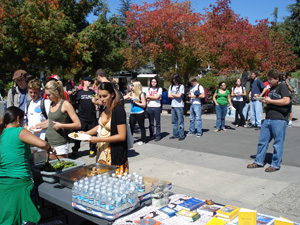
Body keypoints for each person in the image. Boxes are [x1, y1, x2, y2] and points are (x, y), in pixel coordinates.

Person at [0, 106, 53, 225]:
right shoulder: (19, 130)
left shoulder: (2, 134)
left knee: (9, 218)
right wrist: (49, 147)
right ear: (18, 119)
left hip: (3, 182)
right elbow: (42, 143)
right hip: (19, 182)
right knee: (27, 220)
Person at [247, 69, 291, 172]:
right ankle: (259, 161)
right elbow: (271, 101)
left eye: (270, 79)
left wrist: (270, 100)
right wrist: (262, 98)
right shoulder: (272, 88)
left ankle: (275, 164)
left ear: (277, 79)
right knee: (262, 142)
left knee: (277, 143)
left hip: (279, 119)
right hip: (268, 119)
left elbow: (286, 100)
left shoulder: (282, 86)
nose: (269, 82)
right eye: (268, 79)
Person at [85, 82, 128, 176]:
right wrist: (86, 134)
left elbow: (122, 136)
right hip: (102, 151)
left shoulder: (118, 110)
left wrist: (98, 139)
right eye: (100, 96)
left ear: (112, 95)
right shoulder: (106, 108)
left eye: (105, 96)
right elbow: (101, 126)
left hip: (114, 154)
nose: (102, 99)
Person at [37, 80, 81, 159]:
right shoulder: (52, 104)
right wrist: (39, 126)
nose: (47, 97)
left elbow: (78, 124)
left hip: (60, 143)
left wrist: (61, 125)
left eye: (49, 95)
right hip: (49, 142)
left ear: (55, 93)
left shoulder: (66, 104)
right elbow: (51, 121)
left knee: (61, 168)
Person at [25, 79, 51, 164]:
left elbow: (51, 120)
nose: (33, 95)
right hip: (31, 139)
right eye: (31, 92)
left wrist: (40, 126)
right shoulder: (28, 104)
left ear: (40, 91)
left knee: (42, 161)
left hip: (43, 137)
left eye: (35, 92)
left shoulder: (45, 103)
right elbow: (27, 122)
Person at [71, 77, 98, 158]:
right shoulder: (79, 93)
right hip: (82, 117)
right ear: (84, 82)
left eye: (90, 81)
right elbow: (74, 103)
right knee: (78, 135)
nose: (89, 82)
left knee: (92, 135)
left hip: (92, 117)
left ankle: (92, 150)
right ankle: (75, 150)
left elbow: (95, 102)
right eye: (88, 81)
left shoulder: (92, 92)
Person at [124, 81, 147, 145]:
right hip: (132, 113)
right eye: (131, 85)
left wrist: (135, 102)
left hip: (140, 112)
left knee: (141, 126)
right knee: (131, 126)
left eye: (133, 85)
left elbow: (144, 105)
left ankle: (143, 140)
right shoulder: (131, 93)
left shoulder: (141, 94)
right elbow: (123, 98)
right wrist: (126, 98)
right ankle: (129, 140)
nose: (131, 87)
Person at [168, 74, 185, 140]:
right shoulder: (171, 86)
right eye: (173, 79)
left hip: (179, 106)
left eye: (175, 78)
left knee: (180, 121)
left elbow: (179, 96)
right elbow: (169, 95)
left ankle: (181, 135)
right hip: (173, 105)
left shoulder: (181, 86)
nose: (173, 80)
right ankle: (175, 134)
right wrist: (175, 94)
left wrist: (173, 94)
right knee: (174, 121)